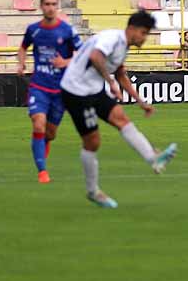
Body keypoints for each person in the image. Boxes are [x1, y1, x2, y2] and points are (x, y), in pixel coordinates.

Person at [58, 11, 178, 209]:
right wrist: (110, 82)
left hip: (93, 90)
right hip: (76, 92)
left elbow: (121, 73)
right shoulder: (112, 38)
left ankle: (153, 159)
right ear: (132, 29)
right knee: (93, 142)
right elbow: (96, 57)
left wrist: (140, 101)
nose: (145, 38)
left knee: (121, 118)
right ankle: (93, 191)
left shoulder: (124, 46)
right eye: (144, 33)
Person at [18, 0, 81, 184]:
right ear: (41, 6)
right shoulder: (33, 30)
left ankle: (41, 150)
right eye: (47, 4)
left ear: (58, 6)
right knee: (38, 123)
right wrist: (21, 63)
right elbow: (23, 47)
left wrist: (67, 62)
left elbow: (83, 54)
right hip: (39, 86)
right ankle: (42, 171)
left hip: (61, 90)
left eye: (54, 4)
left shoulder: (67, 31)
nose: (51, 7)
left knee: (50, 133)